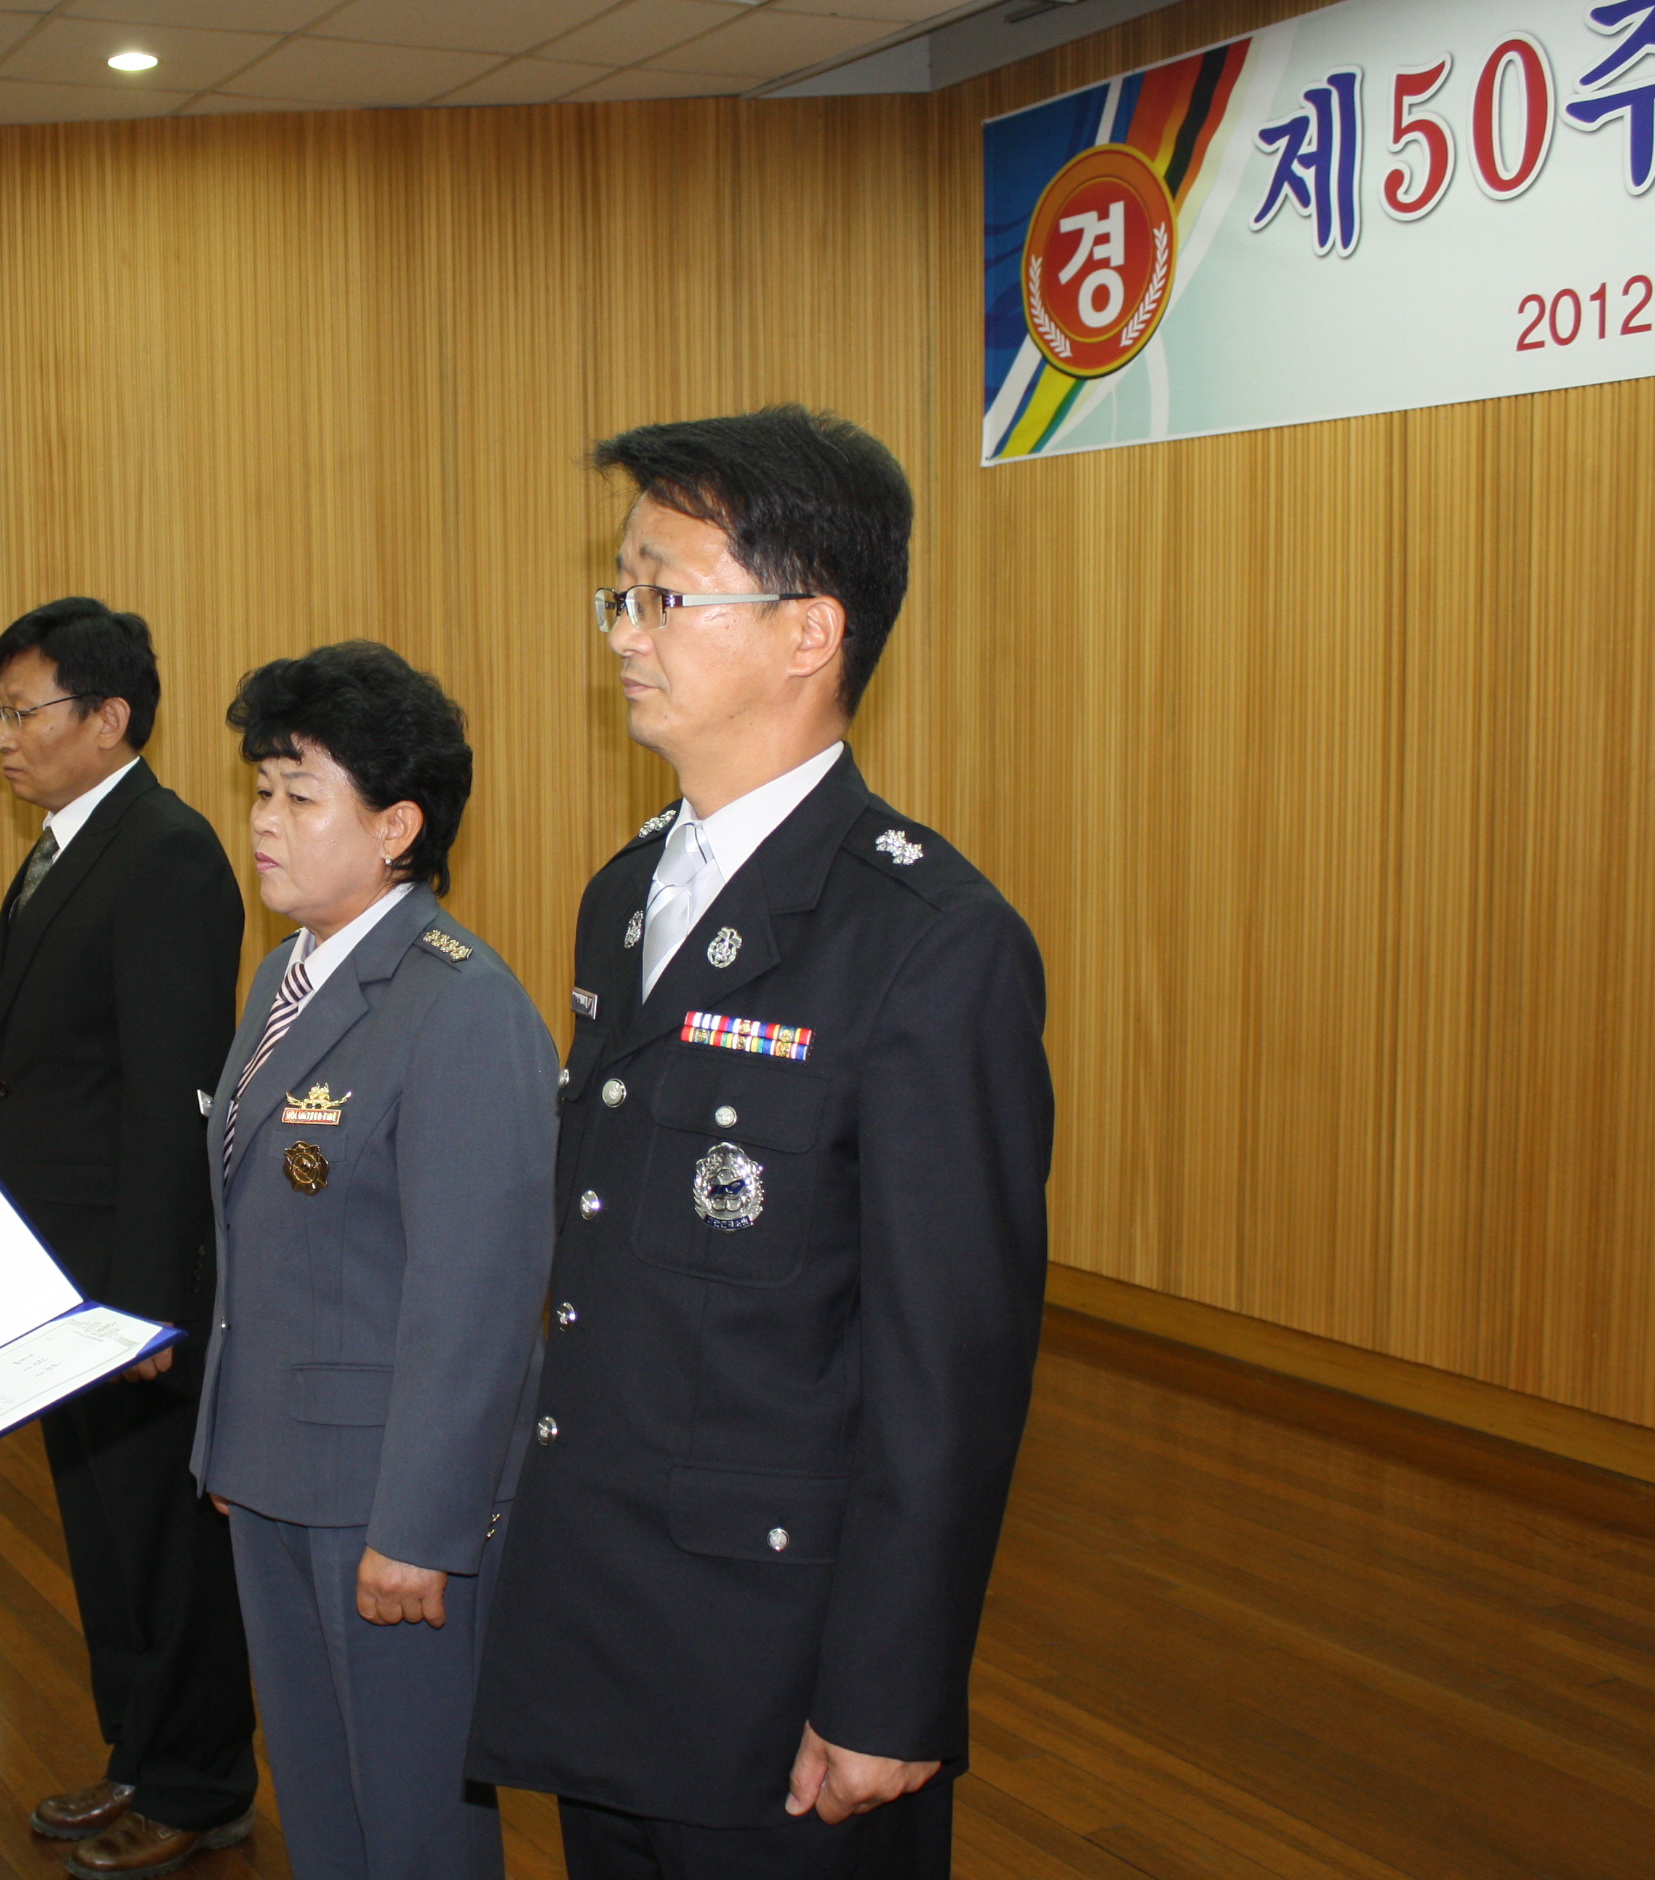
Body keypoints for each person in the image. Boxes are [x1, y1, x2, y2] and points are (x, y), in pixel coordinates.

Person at [465, 407, 1056, 1879]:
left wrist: (887, 1692)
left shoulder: (929, 943)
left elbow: (947, 1372)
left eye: (664, 594)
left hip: (777, 1662)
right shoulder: (625, 895)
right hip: (605, 1618)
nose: (623, 631)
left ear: (810, 631)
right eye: (619, 592)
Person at [190, 641, 559, 1880]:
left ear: (395, 827)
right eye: (259, 789)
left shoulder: (461, 1005)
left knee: (413, 1826)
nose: (262, 819)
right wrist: (232, 1438)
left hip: (385, 1501)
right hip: (274, 1466)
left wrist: (420, 1525)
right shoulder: (282, 976)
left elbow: (479, 1298)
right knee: (321, 1808)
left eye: (299, 794)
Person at [0, 598, 258, 1877]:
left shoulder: (165, 853)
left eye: (21, 710)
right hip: (59, 1269)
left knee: (163, 1537)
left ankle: (199, 1778)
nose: (1, 736)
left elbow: (170, 1095)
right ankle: (138, 1752)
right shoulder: (58, 848)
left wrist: (147, 1298)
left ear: (108, 717)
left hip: (128, 1280)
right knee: (102, 1534)